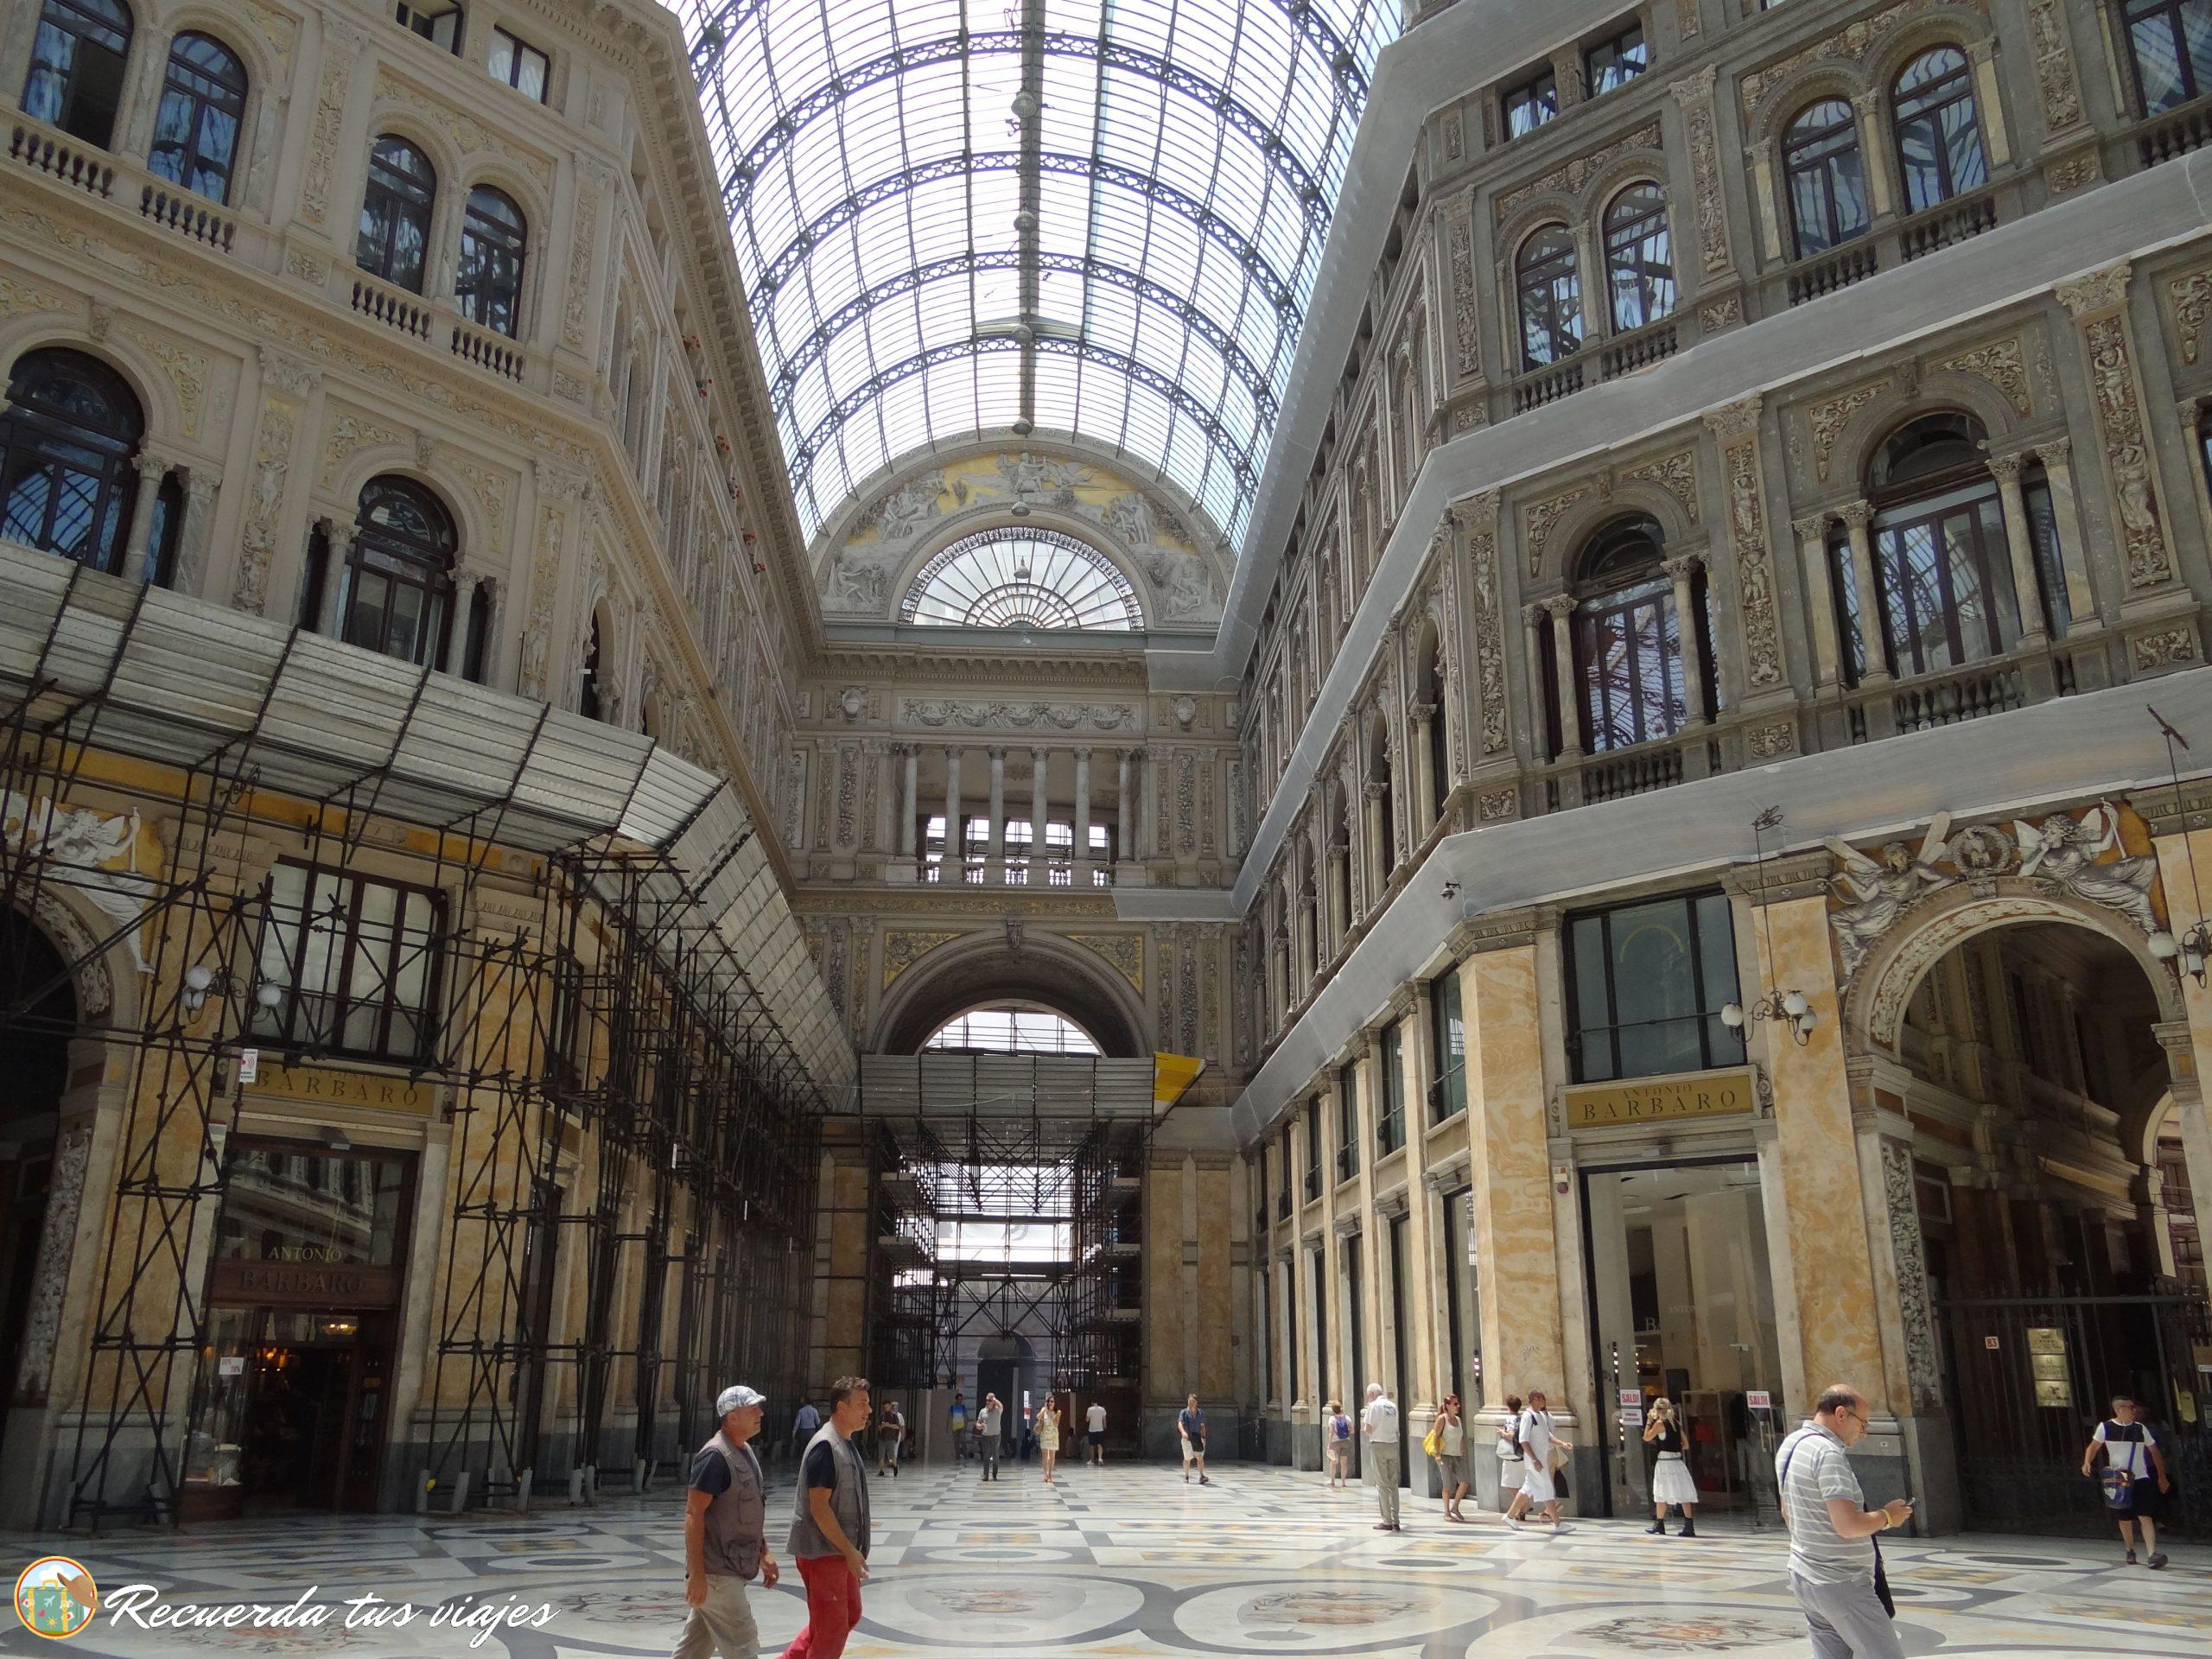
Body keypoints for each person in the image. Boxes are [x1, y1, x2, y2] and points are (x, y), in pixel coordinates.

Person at [1777, 1382, 1911, 1659]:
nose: (1864, 1431)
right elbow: (1848, 1526)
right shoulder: (1827, 1454)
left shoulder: (1791, 1445)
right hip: (1841, 1582)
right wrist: (1888, 1516)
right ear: (1841, 1414)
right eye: (1862, 1422)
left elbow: (1786, 1511)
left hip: (1805, 1576)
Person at [675, 1383, 778, 1659]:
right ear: (732, 1416)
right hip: (717, 1574)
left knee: (693, 1651)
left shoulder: (744, 1451)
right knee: (743, 1646)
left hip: (730, 1568)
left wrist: (763, 1552)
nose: (761, 1413)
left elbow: (749, 1510)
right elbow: (693, 1514)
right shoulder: (715, 1457)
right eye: (753, 1408)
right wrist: (697, 1574)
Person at [779, 1376, 872, 1659]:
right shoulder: (825, 1447)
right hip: (823, 1551)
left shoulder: (845, 1443)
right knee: (831, 1628)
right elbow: (819, 1508)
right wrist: (849, 1551)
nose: (869, 1410)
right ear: (841, 1408)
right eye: (862, 1404)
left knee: (848, 1615)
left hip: (839, 1550)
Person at [2082, 1393, 2171, 1567]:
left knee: (2145, 1515)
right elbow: (2093, 1447)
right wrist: (2086, 1462)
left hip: (2141, 1476)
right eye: (2130, 1407)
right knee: (2125, 1518)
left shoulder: (2140, 1428)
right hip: (2119, 1478)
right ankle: (2130, 1549)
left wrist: (2162, 1476)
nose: (2134, 1410)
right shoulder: (2105, 1427)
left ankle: (2152, 1553)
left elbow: (2155, 1452)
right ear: (2119, 1409)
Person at [1503, 1389, 1568, 1530]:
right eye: (1540, 1398)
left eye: (1543, 1397)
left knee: (1527, 1489)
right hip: (1535, 1462)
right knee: (1547, 1489)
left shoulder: (1541, 1416)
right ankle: (1557, 1524)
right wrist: (1533, 1459)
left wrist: (1562, 1443)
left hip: (1541, 1460)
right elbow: (1523, 1439)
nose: (1543, 1400)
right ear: (1533, 1399)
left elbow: (1548, 1437)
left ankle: (1509, 1516)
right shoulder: (1528, 1417)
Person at [1643, 1396, 1700, 1537]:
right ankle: (1689, 1525)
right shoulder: (1676, 1423)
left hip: (1664, 1463)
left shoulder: (1659, 1424)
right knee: (1684, 1493)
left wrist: (1649, 1422)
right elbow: (1686, 1445)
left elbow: (1646, 1438)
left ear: (1657, 1409)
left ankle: (1659, 1523)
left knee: (1661, 1493)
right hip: (1677, 1462)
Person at [1362, 1382, 1402, 1531]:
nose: (1368, 1397)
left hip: (1379, 1445)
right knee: (1393, 1484)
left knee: (1382, 1484)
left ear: (1372, 1394)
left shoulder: (1374, 1406)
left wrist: (1365, 1428)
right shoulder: (1392, 1406)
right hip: (1392, 1444)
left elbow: (1368, 1428)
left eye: (1368, 1394)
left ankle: (1387, 1521)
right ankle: (1396, 1520)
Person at [1434, 1394, 1469, 1522]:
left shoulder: (1458, 1420)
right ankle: (1446, 1511)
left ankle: (1455, 1507)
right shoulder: (1442, 1419)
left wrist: (1462, 1449)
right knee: (1448, 1485)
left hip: (1457, 1455)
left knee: (1464, 1482)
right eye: (1455, 1404)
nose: (1457, 1406)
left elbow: (1460, 1437)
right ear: (1447, 1406)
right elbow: (1435, 1437)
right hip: (1445, 1455)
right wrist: (1437, 1454)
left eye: (1458, 1403)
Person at [1494, 1394, 1526, 1513]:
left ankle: (1522, 1506)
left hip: (1510, 1455)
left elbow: (1511, 1435)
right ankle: (1521, 1509)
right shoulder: (1522, 1418)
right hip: (1521, 1454)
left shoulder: (1510, 1419)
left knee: (1508, 1482)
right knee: (1521, 1482)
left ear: (1508, 1407)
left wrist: (1502, 1433)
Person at [1178, 1394, 1211, 1484]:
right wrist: (1183, 1432)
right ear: (1188, 1401)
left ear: (1196, 1403)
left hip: (1197, 1437)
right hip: (1187, 1438)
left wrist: (1203, 1437)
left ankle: (1201, 1476)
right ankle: (1186, 1476)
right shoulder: (1184, 1412)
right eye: (1190, 1401)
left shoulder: (1200, 1413)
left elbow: (1202, 1426)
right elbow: (1180, 1423)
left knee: (1199, 1457)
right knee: (1187, 1458)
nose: (1192, 1403)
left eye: (1194, 1401)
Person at [976, 1391, 1003, 1481]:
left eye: (990, 1400)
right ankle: (985, 1475)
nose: (987, 1402)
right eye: (986, 1400)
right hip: (985, 1436)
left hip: (996, 1435)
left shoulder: (997, 1410)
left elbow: (1001, 1406)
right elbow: (978, 1423)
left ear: (993, 1401)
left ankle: (994, 1474)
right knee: (986, 1456)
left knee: (995, 1456)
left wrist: (995, 1399)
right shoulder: (982, 1411)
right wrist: (979, 1426)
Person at [1326, 1400, 1353, 1489]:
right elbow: (1352, 1430)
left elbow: (1331, 1432)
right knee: (1344, 1462)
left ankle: (1332, 1481)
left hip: (1335, 1442)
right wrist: (1346, 1435)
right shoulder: (1347, 1418)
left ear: (1333, 1410)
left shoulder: (1332, 1419)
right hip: (1346, 1441)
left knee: (1334, 1461)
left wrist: (1329, 1444)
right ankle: (1343, 1482)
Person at [874, 1399, 903, 1478]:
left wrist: (889, 1425)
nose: (886, 1409)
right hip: (882, 1438)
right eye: (884, 1407)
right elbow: (879, 1427)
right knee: (881, 1455)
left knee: (892, 1454)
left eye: (887, 1407)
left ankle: (895, 1466)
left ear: (890, 1406)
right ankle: (881, 1470)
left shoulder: (894, 1416)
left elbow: (898, 1426)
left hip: (891, 1438)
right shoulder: (882, 1416)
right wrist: (883, 1426)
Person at [790, 1397, 821, 1465]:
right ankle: (811, 1462)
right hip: (812, 1432)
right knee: (811, 1448)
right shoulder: (814, 1410)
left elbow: (797, 1423)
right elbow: (818, 1421)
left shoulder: (801, 1411)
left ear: (805, 1403)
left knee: (803, 1449)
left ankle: (803, 1463)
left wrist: (794, 1432)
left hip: (803, 1432)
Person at [1037, 1397, 1061, 1482]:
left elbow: (1056, 1424)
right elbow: (1038, 1417)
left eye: (1052, 1401)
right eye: (1048, 1401)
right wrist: (1045, 1411)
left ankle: (1050, 1474)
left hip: (1053, 1435)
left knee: (1052, 1456)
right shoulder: (1044, 1409)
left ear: (1055, 1403)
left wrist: (1050, 1414)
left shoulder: (1057, 1412)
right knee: (1044, 1456)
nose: (1050, 1403)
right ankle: (1045, 1474)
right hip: (1044, 1435)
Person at [948, 1392, 969, 1462]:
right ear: (956, 1400)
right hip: (954, 1427)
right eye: (959, 1399)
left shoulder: (963, 1407)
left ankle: (965, 1455)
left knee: (963, 1441)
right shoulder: (952, 1407)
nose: (960, 1401)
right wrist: (948, 1426)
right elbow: (949, 1417)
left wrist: (965, 1426)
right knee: (956, 1442)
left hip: (961, 1427)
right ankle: (957, 1455)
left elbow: (966, 1417)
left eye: (961, 1399)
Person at [1085, 1397, 1107, 1464]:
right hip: (1100, 1429)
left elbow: (1087, 1420)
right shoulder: (1102, 1409)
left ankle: (1092, 1460)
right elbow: (1104, 1419)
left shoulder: (1090, 1409)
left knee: (1091, 1446)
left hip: (1092, 1429)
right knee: (1099, 1445)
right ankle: (1100, 1459)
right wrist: (1104, 1426)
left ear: (1092, 1403)